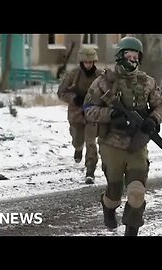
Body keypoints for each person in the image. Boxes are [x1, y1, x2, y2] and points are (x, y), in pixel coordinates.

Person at [83, 37, 162, 236]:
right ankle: (108, 206)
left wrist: (153, 120)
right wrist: (110, 115)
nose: (132, 60)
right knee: (114, 192)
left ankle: (131, 230)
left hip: (137, 144)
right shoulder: (103, 82)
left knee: (137, 193)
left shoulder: (147, 82)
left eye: (135, 56)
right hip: (111, 144)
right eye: (128, 56)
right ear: (120, 56)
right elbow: (88, 109)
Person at [57, 46, 103, 184]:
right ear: (81, 62)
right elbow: (61, 93)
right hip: (76, 113)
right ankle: (78, 148)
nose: (88, 65)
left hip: (93, 114)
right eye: (86, 62)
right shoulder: (72, 75)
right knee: (77, 138)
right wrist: (74, 98)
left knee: (91, 142)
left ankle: (90, 171)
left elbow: (107, 93)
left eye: (91, 62)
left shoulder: (100, 76)